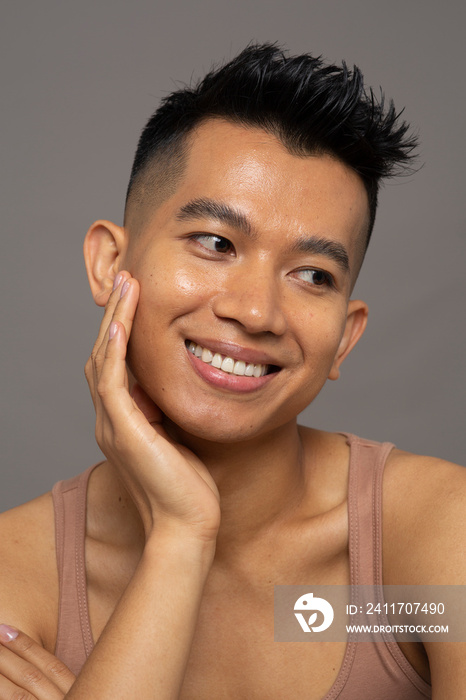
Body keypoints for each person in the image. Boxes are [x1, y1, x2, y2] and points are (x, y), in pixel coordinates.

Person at [0, 43, 464, 699]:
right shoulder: (14, 575)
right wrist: (181, 538)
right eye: (216, 243)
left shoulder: (438, 534)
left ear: (345, 338)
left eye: (313, 275)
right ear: (111, 263)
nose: (255, 311)